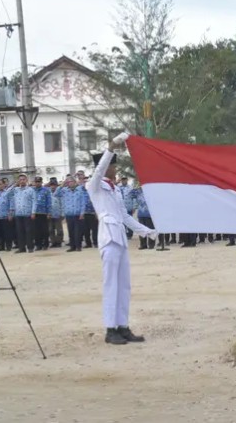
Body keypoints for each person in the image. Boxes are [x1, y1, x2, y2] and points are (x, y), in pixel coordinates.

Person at [86, 133, 158, 345]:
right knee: (111, 285)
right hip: (108, 239)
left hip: (121, 240)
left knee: (124, 286)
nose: (115, 169)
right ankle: (110, 329)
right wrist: (111, 147)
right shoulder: (94, 185)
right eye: (112, 165)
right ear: (105, 165)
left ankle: (123, 326)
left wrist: (147, 231)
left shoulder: (115, 190)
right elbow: (99, 171)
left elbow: (125, 216)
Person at [55, 177, 85, 252]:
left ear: (75, 182)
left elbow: (83, 202)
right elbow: (56, 194)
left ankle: (78, 246)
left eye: (71, 181)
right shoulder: (64, 190)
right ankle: (72, 246)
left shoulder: (80, 190)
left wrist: (82, 213)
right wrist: (62, 185)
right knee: (71, 231)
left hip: (77, 213)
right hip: (69, 213)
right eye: (68, 182)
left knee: (77, 231)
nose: (70, 183)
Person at [32, 177, 52, 251]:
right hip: (34, 213)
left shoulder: (46, 190)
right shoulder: (32, 190)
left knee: (45, 230)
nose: (37, 183)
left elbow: (49, 202)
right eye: (36, 182)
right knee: (36, 230)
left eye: (39, 182)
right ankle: (38, 245)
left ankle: (45, 244)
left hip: (44, 213)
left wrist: (49, 212)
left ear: (41, 182)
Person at [0, 179, 13, 251]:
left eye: (0, 184)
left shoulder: (7, 193)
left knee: (7, 232)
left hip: (6, 215)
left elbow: (11, 203)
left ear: (4, 185)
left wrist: (10, 214)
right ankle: (1, 246)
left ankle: (8, 246)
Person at [48, 178, 64, 248]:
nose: (53, 186)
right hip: (50, 214)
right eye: (51, 185)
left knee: (59, 229)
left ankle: (59, 242)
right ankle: (53, 242)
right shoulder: (47, 193)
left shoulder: (60, 193)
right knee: (51, 229)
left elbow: (63, 203)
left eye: (54, 185)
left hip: (58, 214)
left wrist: (63, 213)